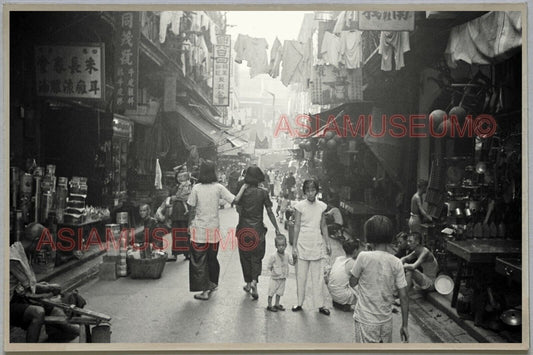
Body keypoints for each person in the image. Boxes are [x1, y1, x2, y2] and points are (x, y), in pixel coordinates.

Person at [10, 223, 80, 342]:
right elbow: (31, 288)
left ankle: (74, 329)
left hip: (16, 296)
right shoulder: (14, 258)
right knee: (37, 312)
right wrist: (50, 288)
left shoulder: (21, 251)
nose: (42, 247)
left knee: (50, 304)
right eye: (42, 243)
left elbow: (26, 286)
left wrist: (47, 288)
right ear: (37, 240)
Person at [187, 161, 246, 301]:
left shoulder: (196, 188)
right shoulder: (219, 187)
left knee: (199, 261)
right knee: (212, 258)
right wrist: (244, 187)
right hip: (213, 230)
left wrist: (189, 225)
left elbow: (191, 209)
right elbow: (235, 199)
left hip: (199, 229)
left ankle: (205, 290)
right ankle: (212, 284)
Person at [349, 215, 409, 343]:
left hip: (366, 319)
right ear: (390, 236)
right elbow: (403, 296)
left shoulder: (363, 257)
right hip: (386, 321)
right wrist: (404, 325)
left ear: (369, 236)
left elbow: (352, 282)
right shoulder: (396, 262)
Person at [235, 166, 281, 300]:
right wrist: (277, 228)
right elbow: (270, 212)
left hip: (244, 229)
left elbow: (238, 208)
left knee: (245, 257)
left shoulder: (243, 192)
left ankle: (248, 284)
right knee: (256, 257)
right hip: (258, 229)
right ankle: (254, 281)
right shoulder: (263, 192)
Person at [291, 179, 331, 316]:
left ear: (317, 191)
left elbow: (323, 225)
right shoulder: (299, 206)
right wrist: (294, 247)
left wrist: (327, 242)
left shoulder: (321, 206)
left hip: (316, 243)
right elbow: (296, 226)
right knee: (301, 276)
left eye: (313, 190)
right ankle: (299, 302)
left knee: (318, 277)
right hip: (303, 243)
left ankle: (320, 305)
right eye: (307, 190)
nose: (310, 193)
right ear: (304, 191)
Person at [325, 239, 361, 312]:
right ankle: (346, 302)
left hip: (333, 293)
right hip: (341, 295)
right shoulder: (352, 263)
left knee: (348, 279)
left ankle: (340, 302)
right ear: (355, 251)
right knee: (362, 292)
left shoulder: (338, 259)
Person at [266, 234, 294, 312]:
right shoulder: (273, 256)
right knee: (271, 291)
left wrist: (295, 258)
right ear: (276, 246)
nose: (281, 247)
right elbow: (269, 265)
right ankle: (269, 305)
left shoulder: (287, 255)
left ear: (286, 245)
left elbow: (292, 263)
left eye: (283, 245)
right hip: (274, 278)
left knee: (279, 292)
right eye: (279, 245)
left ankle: (277, 304)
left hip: (283, 278)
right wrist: (270, 271)